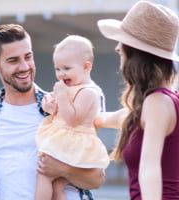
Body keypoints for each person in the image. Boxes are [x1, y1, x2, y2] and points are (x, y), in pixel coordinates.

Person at [0, 24, 105, 200]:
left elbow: (97, 178)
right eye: (14, 60)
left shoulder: (59, 108)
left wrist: (63, 169)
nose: (25, 66)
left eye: (28, 57)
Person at [96, 1, 179, 199]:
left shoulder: (157, 104)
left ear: (136, 52)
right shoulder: (159, 103)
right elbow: (119, 118)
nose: (117, 48)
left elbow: (149, 169)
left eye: (122, 42)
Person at [34, 35, 109, 200]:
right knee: (58, 184)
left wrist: (61, 96)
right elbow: (59, 112)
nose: (61, 74)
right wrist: (49, 106)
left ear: (86, 67)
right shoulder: (70, 87)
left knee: (44, 174)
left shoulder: (88, 92)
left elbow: (72, 119)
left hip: (73, 141)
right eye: (57, 69)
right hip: (66, 139)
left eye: (67, 68)